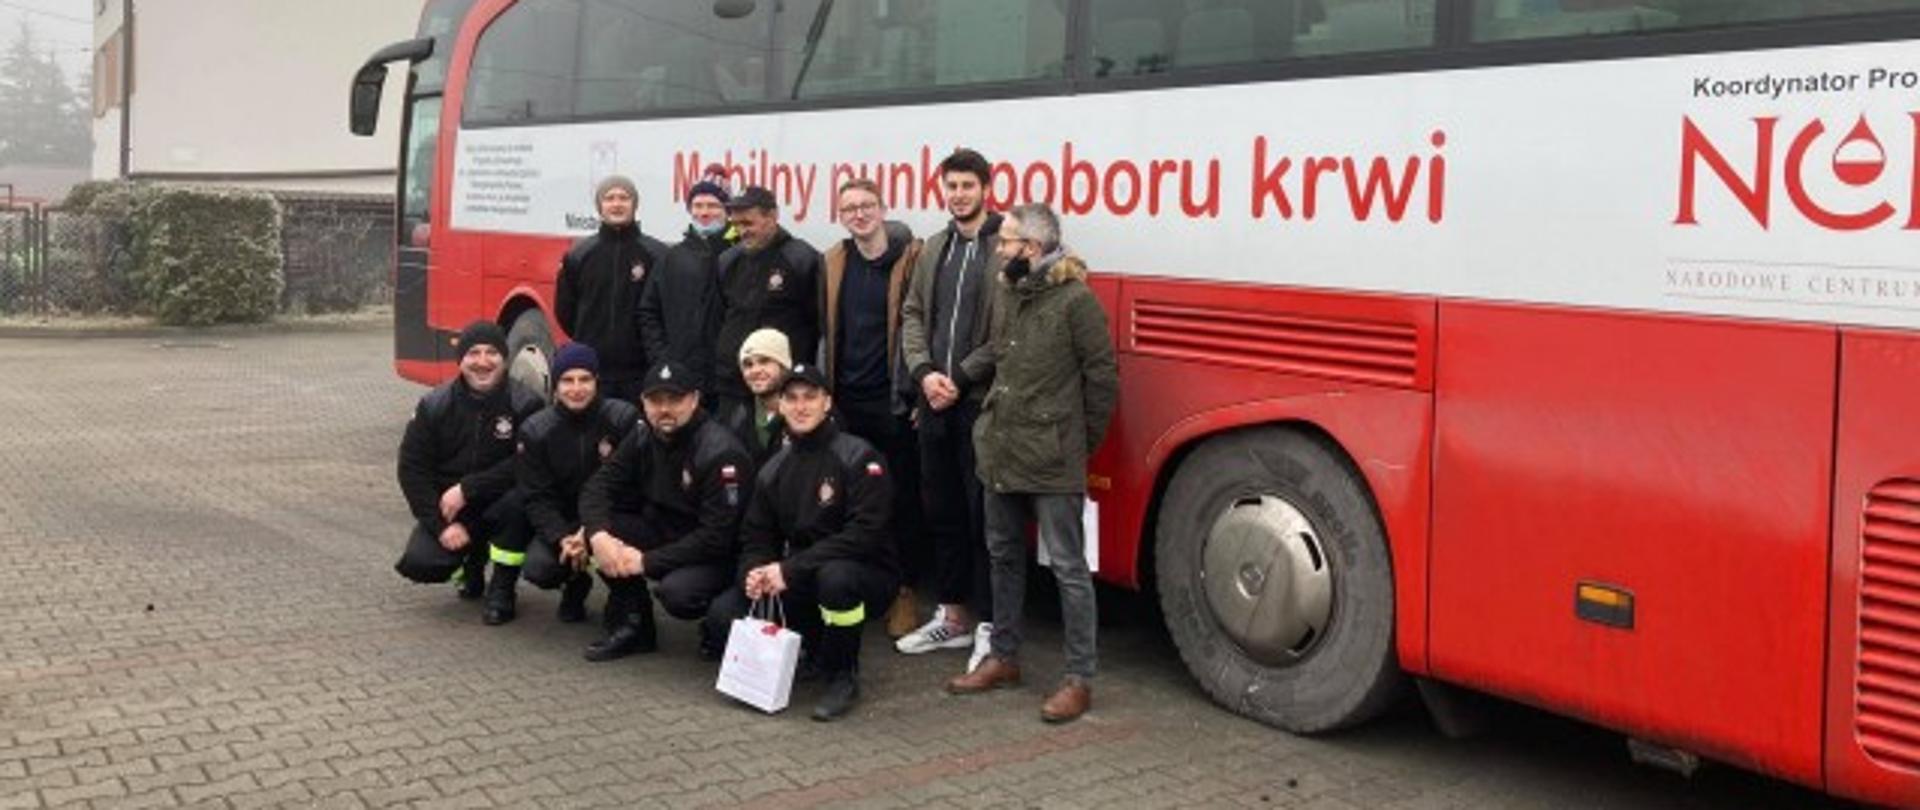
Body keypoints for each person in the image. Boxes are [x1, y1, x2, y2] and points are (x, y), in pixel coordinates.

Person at [945, 203, 1118, 724]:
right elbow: (1000, 349)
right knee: (1002, 555)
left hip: (1052, 456)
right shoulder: (1008, 288)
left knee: (1067, 568)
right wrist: (954, 376)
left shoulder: (1075, 301)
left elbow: (1102, 378)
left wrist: (1076, 444)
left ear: (1034, 249)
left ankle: (1079, 679)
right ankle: (1004, 657)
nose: (1000, 249)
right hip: (1001, 445)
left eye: (1008, 242)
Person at [703, 363, 896, 722]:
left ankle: (842, 674)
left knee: (835, 580)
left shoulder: (859, 456)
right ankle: (810, 646)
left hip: (865, 574)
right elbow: (755, 536)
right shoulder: (774, 468)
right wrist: (755, 572)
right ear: (781, 405)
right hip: (801, 573)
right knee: (722, 616)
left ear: (827, 403)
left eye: (810, 397)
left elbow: (863, 536)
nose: (801, 406)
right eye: (791, 398)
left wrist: (788, 569)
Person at [896, 148, 1003, 660]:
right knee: (943, 512)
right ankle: (954, 615)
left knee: (985, 516)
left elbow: (1006, 335)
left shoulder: (1004, 248)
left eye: (967, 185)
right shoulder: (935, 247)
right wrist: (924, 374)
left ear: (987, 188)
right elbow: (913, 315)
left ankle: (990, 625)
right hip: (934, 401)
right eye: (951, 186)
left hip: (979, 404)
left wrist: (958, 377)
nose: (958, 194)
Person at [575, 361, 754, 661]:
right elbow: (597, 487)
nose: (665, 409)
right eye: (656, 400)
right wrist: (598, 535)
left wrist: (646, 561)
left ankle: (720, 623)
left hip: (717, 554)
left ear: (695, 400)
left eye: (675, 399)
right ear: (643, 403)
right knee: (603, 532)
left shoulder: (721, 452)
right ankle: (636, 627)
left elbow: (717, 537)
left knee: (679, 594)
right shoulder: (644, 435)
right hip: (665, 532)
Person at [819, 178, 928, 646]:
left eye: (866, 206)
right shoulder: (834, 261)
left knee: (900, 499)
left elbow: (929, 325)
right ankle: (858, 584)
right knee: (848, 498)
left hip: (893, 403)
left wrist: (921, 389)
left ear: (883, 209)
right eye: (850, 208)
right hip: (845, 402)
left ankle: (905, 590)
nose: (859, 215)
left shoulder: (912, 260)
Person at [395, 320, 544, 625]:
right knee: (421, 563)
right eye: (473, 353)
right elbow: (412, 470)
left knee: (518, 502)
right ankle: (470, 565)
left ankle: (502, 588)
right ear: (460, 360)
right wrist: (440, 527)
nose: (483, 361)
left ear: (505, 358)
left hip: (501, 507)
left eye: (492, 352)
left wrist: (468, 488)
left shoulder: (527, 404)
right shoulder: (433, 405)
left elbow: (529, 464)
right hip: (453, 514)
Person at [516, 343, 641, 624]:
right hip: (564, 523)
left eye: (584, 379)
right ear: (556, 386)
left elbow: (632, 486)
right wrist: (563, 538)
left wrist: (592, 531)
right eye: (567, 380)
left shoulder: (623, 419)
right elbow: (537, 497)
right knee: (540, 568)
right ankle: (574, 584)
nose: (576, 388)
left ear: (597, 381)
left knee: (617, 549)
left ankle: (626, 601)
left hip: (611, 519)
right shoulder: (535, 430)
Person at [711, 185, 821, 425]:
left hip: (781, 387)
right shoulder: (728, 261)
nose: (741, 231)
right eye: (736, 224)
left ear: (772, 217)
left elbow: (818, 324)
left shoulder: (802, 259)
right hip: (732, 384)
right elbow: (719, 318)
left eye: (748, 223)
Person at [556, 175, 670, 401]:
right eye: (609, 198)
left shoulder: (656, 254)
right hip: (594, 372)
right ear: (600, 206)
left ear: (634, 205)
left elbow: (664, 311)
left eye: (624, 198)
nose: (617, 204)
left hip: (640, 371)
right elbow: (565, 311)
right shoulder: (579, 254)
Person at [639, 166, 733, 400]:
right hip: (682, 375)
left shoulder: (739, 254)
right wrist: (663, 357)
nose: (704, 212)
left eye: (712, 205)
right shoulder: (672, 257)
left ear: (727, 210)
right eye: (698, 206)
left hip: (728, 377)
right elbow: (648, 311)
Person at [720, 327, 792, 464]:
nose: (755, 370)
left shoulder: (808, 414)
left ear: (784, 366)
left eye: (764, 361)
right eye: (748, 364)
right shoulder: (738, 417)